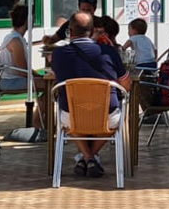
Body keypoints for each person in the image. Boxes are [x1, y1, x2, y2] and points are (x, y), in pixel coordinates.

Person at [52, 11, 131, 178]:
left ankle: (85, 157)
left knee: (69, 117)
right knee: (113, 119)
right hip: (106, 116)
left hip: (71, 115)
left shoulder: (57, 55)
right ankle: (91, 157)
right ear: (92, 30)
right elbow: (126, 84)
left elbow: (57, 78)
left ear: (70, 32)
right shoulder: (108, 52)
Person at [0, 4, 43, 128]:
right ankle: (38, 122)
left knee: (49, 85)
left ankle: (40, 121)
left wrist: (37, 75)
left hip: (9, 79)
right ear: (26, 20)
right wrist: (39, 77)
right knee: (50, 86)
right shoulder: (16, 41)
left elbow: (23, 69)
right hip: (9, 81)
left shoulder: (15, 37)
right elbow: (22, 71)